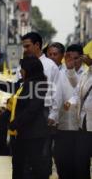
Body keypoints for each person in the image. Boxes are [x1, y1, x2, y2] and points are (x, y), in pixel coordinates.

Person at [21, 32, 60, 176]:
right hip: (25, 114)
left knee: (43, 155)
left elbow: (56, 93)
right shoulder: (23, 64)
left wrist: (53, 115)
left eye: (27, 46)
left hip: (43, 113)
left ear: (37, 45)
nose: (25, 49)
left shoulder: (50, 66)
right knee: (25, 157)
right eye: (23, 47)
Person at [9, 56, 49, 179]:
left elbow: (32, 109)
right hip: (22, 134)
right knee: (19, 167)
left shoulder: (39, 85)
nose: (21, 71)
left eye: (23, 68)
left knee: (33, 168)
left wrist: (15, 122)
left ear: (30, 69)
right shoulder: (25, 83)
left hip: (34, 134)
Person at [52, 44, 85, 179]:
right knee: (62, 164)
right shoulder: (60, 74)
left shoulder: (88, 74)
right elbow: (56, 98)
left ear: (82, 58)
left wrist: (71, 70)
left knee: (80, 166)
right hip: (63, 126)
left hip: (81, 129)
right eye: (70, 58)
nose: (73, 61)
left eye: (76, 58)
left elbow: (79, 90)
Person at [64, 54, 92, 179]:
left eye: (89, 56)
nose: (85, 57)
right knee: (81, 161)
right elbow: (77, 92)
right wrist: (70, 102)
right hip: (84, 123)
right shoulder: (86, 74)